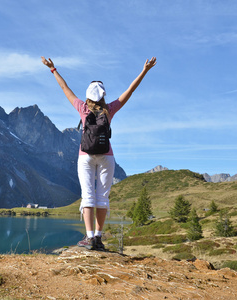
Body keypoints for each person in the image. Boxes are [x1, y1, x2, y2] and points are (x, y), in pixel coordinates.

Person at [41, 55, 157, 250]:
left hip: (85, 156)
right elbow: (130, 90)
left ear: (88, 95)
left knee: (87, 196)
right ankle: (98, 237)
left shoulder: (82, 108)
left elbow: (64, 88)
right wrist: (145, 70)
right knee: (102, 196)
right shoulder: (109, 109)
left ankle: (88, 238)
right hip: (106, 156)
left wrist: (53, 69)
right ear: (103, 94)